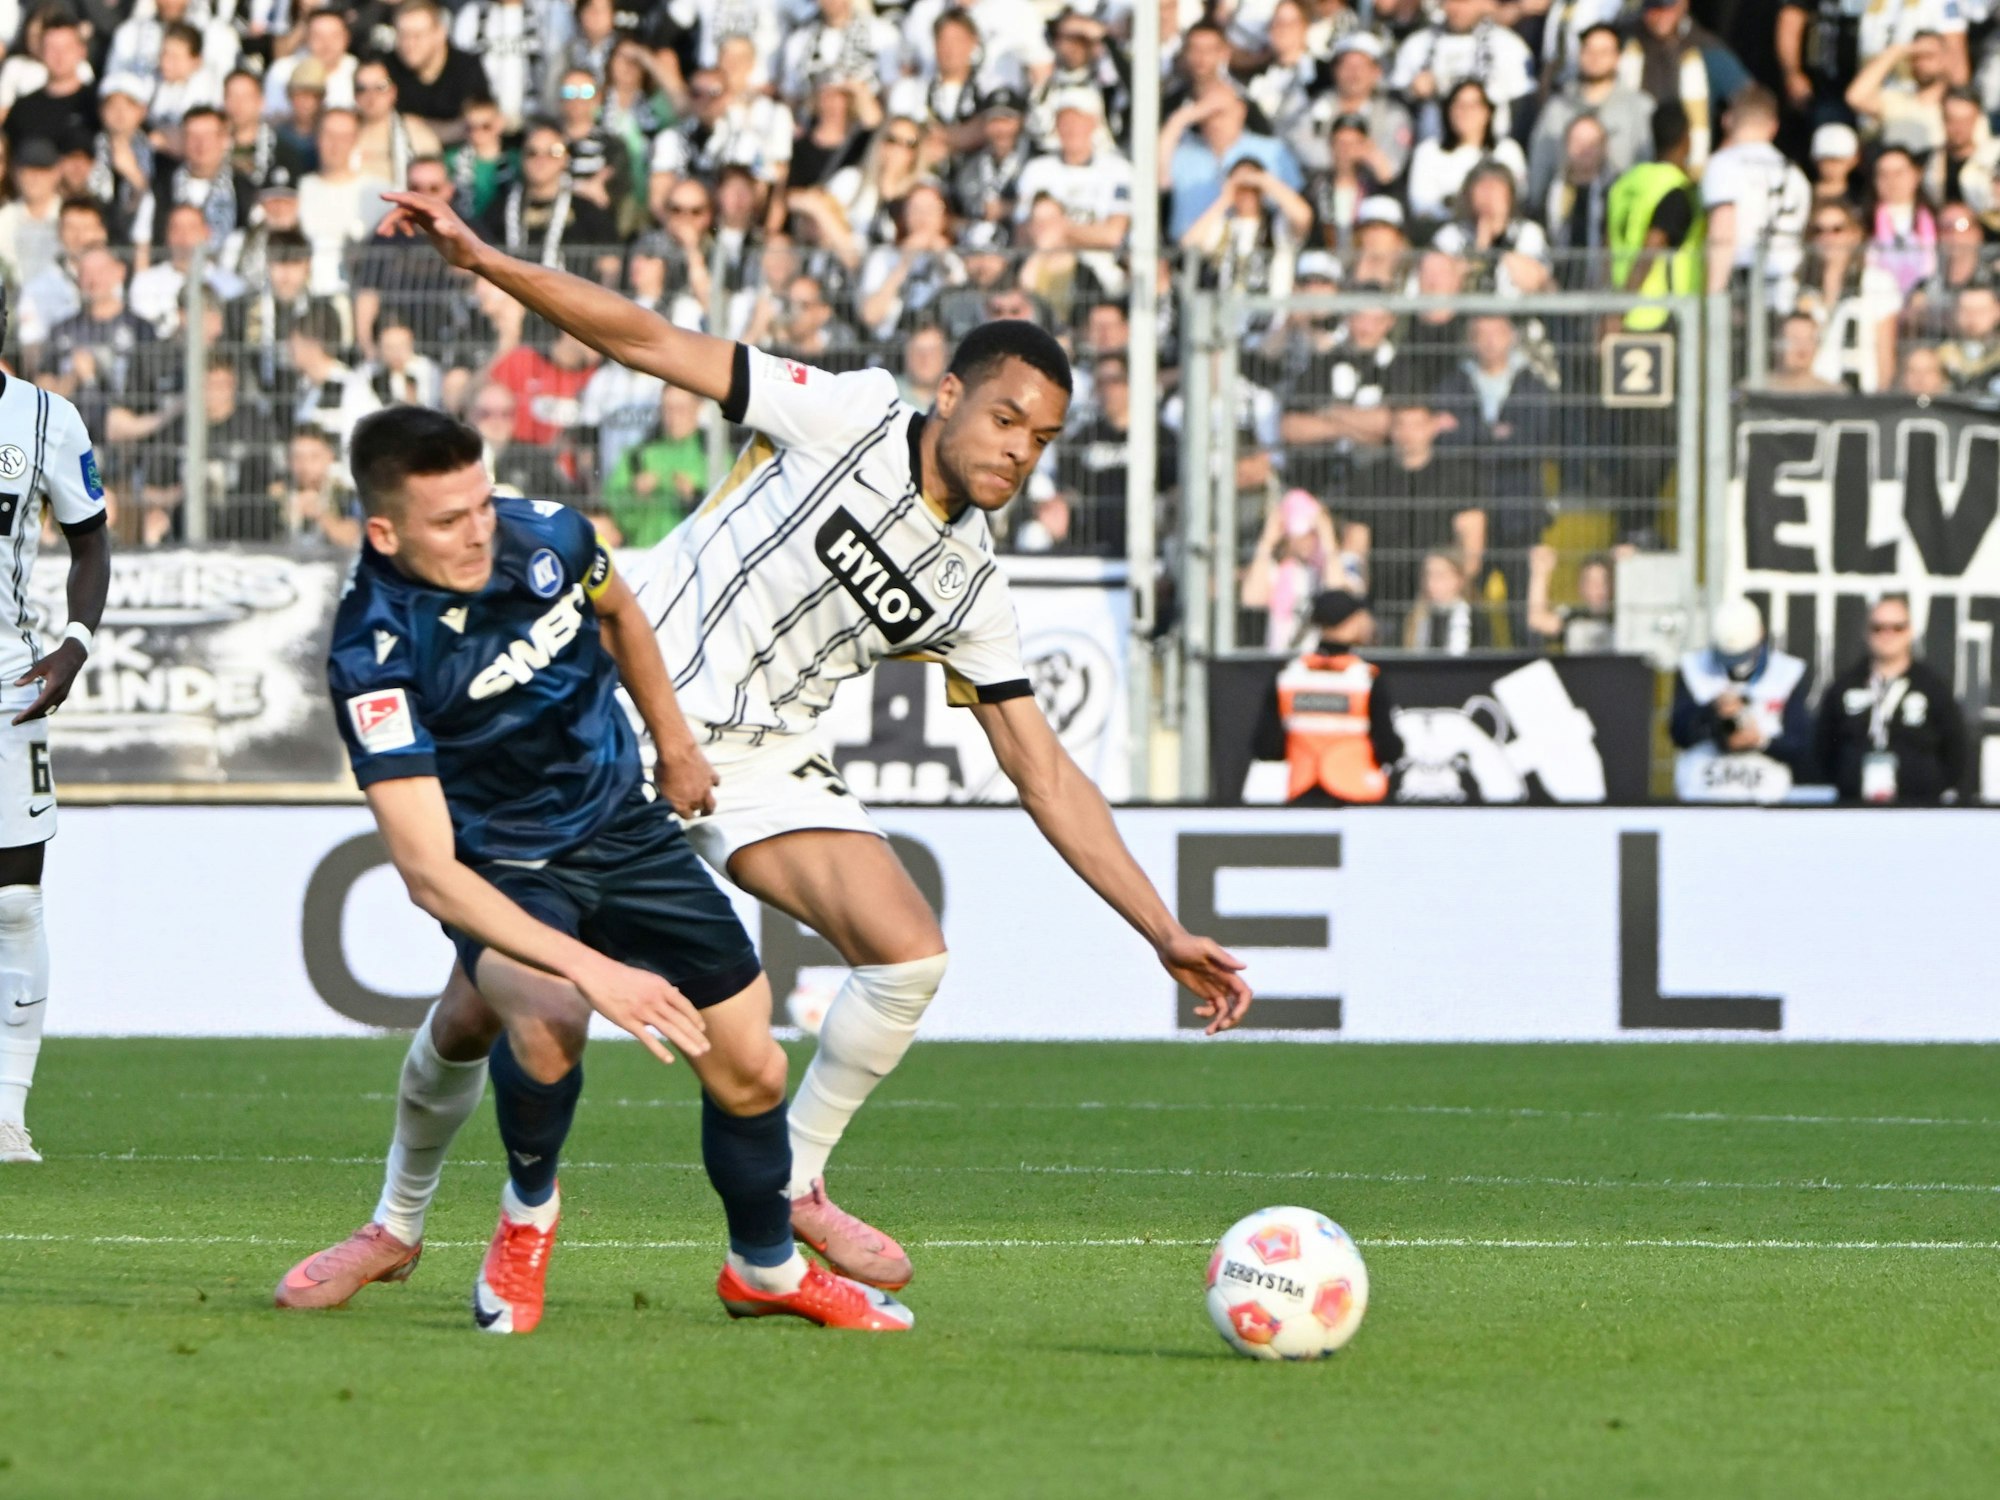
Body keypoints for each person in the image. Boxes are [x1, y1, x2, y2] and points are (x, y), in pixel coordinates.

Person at [282, 187, 1254, 1303]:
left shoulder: (973, 587)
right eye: (1002, 418)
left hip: (751, 762)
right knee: (490, 1014)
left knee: (908, 953)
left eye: (1039, 439)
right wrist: (485, 260)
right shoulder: (844, 413)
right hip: (612, 710)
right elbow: (649, 341)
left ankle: (787, 1190)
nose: (1017, 450)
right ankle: (395, 1222)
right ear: (948, 394)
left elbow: (1042, 769)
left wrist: (1161, 929)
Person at [280, 405, 910, 1334]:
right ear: (385, 532)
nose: (476, 533)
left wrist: (675, 740)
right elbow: (428, 872)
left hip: (625, 825)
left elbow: (621, 611)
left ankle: (765, 1271)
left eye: (480, 506)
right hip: (500, 862)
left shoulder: (548, 534)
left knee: (753, 1068)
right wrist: (593, 967)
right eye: (447, 522)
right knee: (548, 1015)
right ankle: (527, 1217)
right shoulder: (372, 650)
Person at [0, 284, 114, 1164]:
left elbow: (91, 541)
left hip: (7, 683)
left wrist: (73, 645)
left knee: (13, 900)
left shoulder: (44, 419)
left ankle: (5, 1110)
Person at [1251, 589, 1403, 806]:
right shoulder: (1366, 679)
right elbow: (1389, 748)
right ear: (1352, 622)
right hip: (1357, 795)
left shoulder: (1287, 677)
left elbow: (1265, 747)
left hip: (1304, 795)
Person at [1813, 593, 1967, 804]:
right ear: (1866, 632)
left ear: (1910, 631)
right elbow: (1823, 748)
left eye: (1897, 627)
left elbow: (1956, 750)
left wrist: (1932, 788)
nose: (1888, 634)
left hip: (1920, 811)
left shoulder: (1933, 687)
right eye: (1878, 627)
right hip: (1853, 809)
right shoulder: (1844, 686)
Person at [1671, 598, 1813, 804]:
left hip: (1765, 799)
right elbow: (1678, 733)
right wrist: (1713, 714)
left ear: (1760, 635)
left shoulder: (1788, 673)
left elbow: (1800, 744)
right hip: (1703, 796)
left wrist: (1759, 740)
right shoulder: (1693, 669)